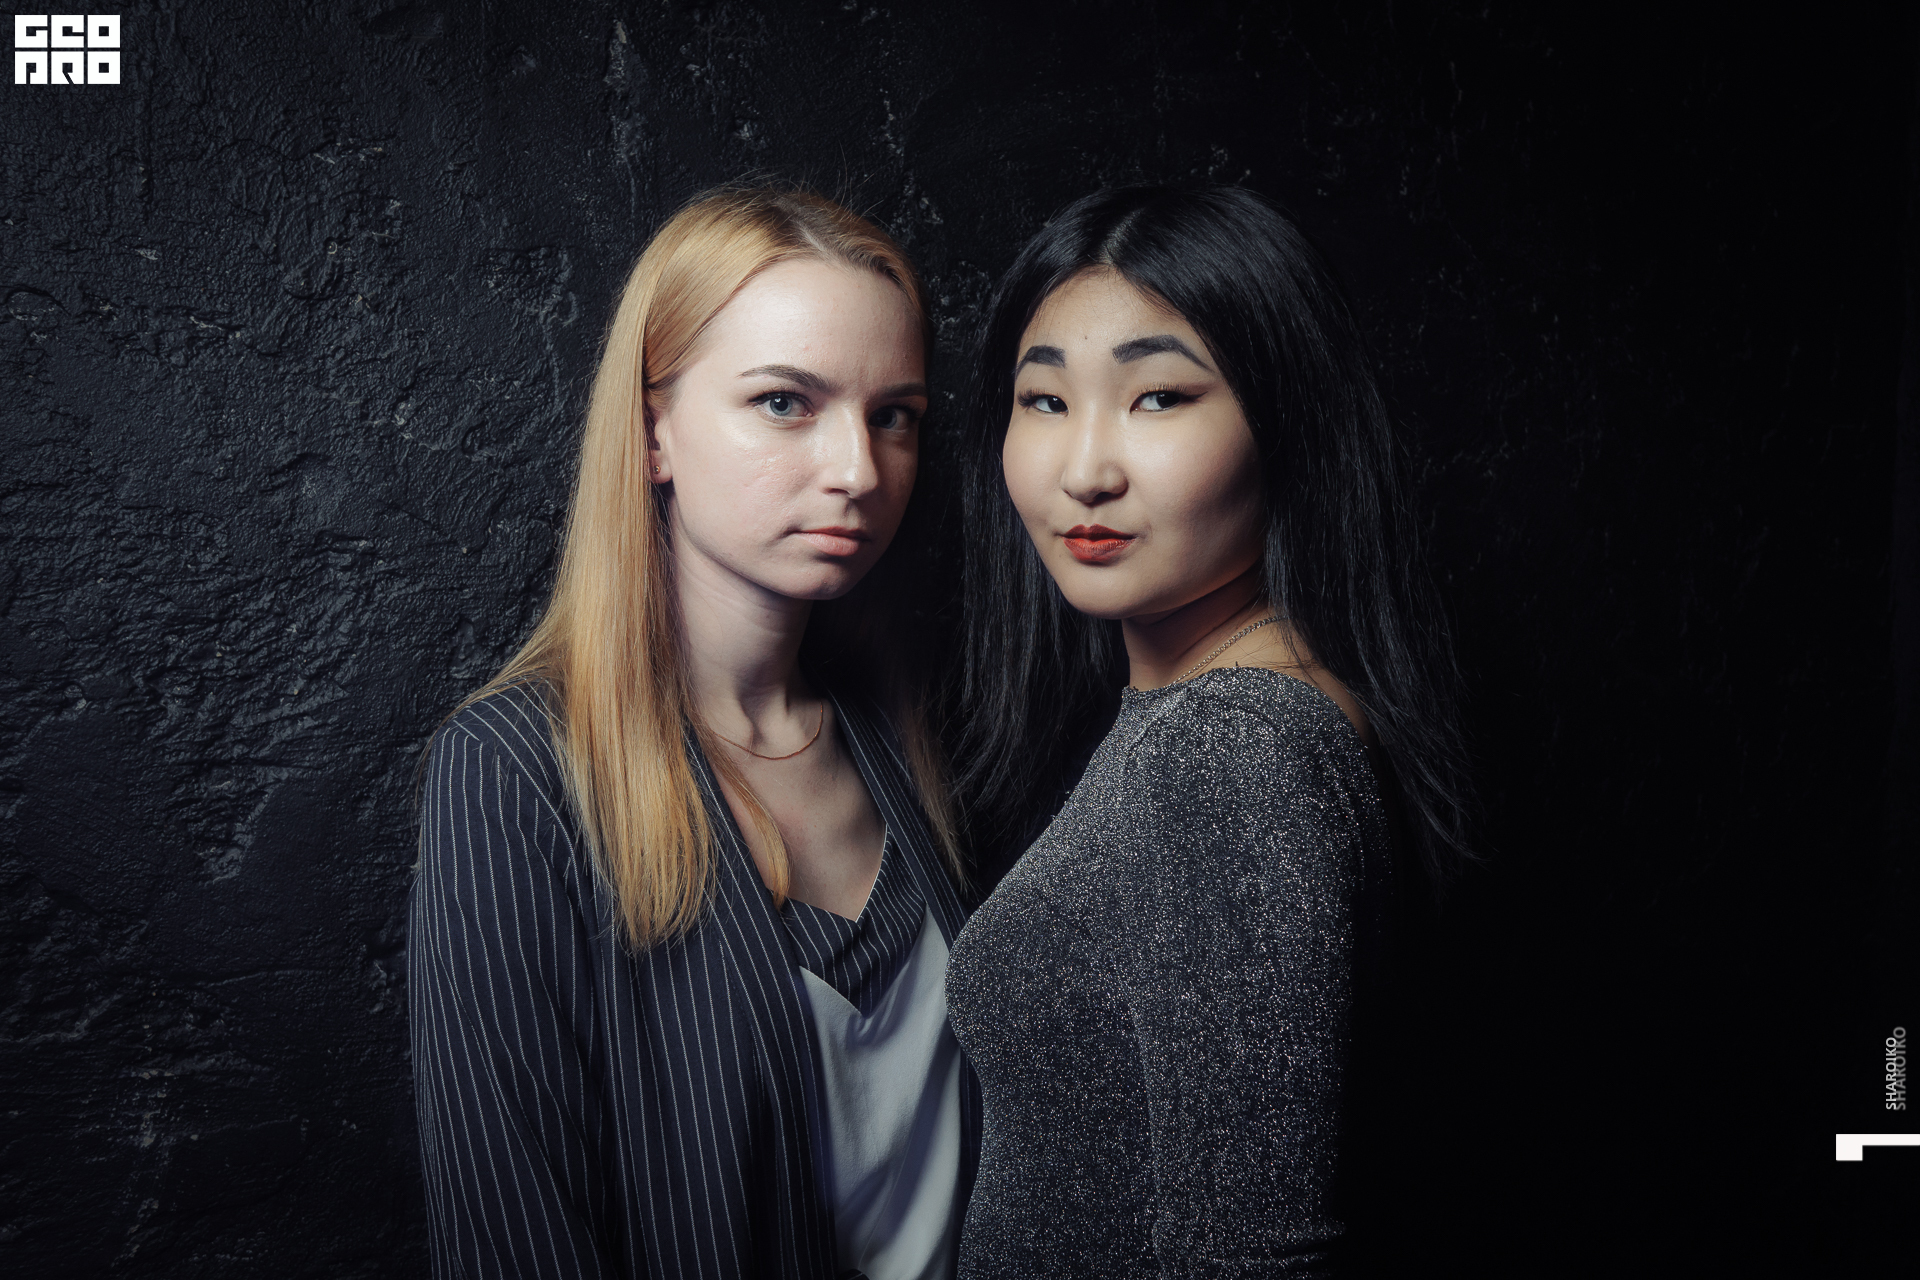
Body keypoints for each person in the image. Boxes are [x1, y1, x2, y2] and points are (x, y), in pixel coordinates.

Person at [409, 187, 976, 1280]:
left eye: (894, 415)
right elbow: (511, 1239)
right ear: (653, 430)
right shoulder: (517, 771)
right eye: (784, 402)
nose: (858, 470)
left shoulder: (911, 738)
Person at [943, 185, 1474, 1277]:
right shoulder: (1245, 709)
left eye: (1159, 397)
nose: (1085, 469)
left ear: (1285, 420)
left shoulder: (1225, 750)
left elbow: (1251, 1256)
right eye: (1044, 400)